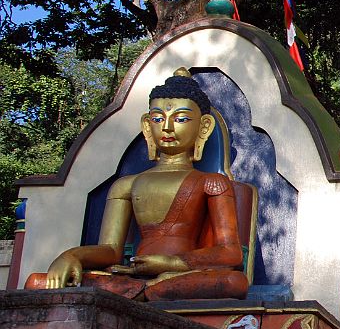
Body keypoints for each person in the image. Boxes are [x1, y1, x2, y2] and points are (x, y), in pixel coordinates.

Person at [25, 69, 247, 301]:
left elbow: (230, 253)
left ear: (203, 127)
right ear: (147, 125)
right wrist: (72, 256)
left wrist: (172, 262)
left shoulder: (211, 182)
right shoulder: (126, 185)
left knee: (233, 282)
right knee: (38, 281)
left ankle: (146, 291)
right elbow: (111, 251)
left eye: (181, 119)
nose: (167, 128)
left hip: (178, 275)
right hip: (130, 276)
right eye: (158, 119)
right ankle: (147, 291)